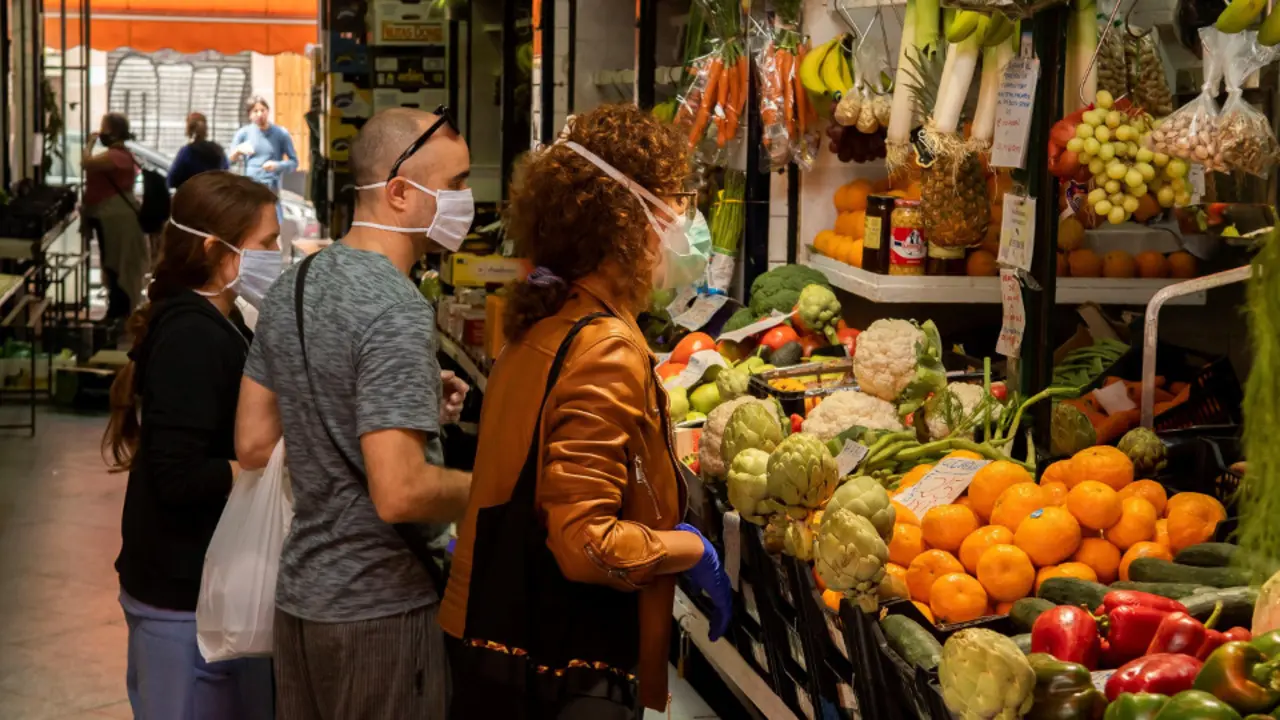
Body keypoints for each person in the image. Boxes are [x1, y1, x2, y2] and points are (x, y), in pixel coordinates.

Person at [440, 104, 730, 719]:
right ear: (629, 217)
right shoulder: (605, 348)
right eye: (677, 200)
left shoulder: (545, 317)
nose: (687, 220)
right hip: (559, 668)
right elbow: (583, 542)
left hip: (493, 652)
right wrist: (687, 549)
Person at [234, 106, 473, 719]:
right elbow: (399, 492)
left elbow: (255, 442)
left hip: (302, 605)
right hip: (380, 613)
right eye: (456, 186)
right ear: (399, 192)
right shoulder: (396, 309)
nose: (468, 203)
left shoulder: (296, 283)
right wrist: (502, 489)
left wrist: (407, 401)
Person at [103, 171, 282, 720]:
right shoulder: (190, 336)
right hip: (179, 597)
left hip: (205, 589)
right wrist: (258, 468)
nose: (278, 254)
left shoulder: (224, 322)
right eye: (268, 243)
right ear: (216, 249)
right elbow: (178, 476)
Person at [82, 112, 147, 320]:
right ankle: (118, 309)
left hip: (115, 217)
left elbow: (87, 163)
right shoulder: (121, 154)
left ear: (113, 131)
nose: (100, 133)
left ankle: (118, 311)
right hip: (112, 215)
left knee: (117, 264)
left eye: (104, 128)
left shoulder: (116, 156)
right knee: (114, 262)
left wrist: (89, 143)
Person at [229, 96, 297, 199]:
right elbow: (228, 161)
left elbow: (294, 162)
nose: (260, 114)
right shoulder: (243, 133)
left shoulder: (281, 133)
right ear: (250, 115)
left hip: (272, 188)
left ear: (268, 111)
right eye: (255, 111)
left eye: (262, 110)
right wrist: (238, 151)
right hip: (251, 187)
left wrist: (277, 165)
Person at [168, 112, 230, 190]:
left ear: (188, 130)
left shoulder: (187, 151)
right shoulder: (218, 149)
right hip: (215, 198)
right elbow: (226, 173)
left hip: (192, 197)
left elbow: (172, 180)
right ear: (206, 129)